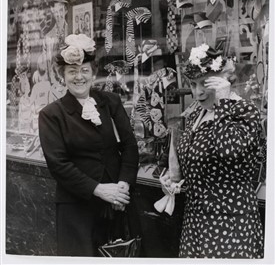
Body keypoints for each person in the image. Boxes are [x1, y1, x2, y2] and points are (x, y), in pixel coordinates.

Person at [38, 34, 139, 257]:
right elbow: (59, 165)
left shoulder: (111, 102)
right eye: (72, 71)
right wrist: (99, 190)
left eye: (84, 70)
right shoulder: (51, 115)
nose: (79, 77)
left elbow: (130, 147)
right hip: (77, 209)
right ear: (62, 75)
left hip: (117, 204)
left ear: (93, 73)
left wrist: (123, 186)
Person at [160, 43, 264, 259]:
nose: (197, 92)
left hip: (230, 224)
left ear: (223, 81)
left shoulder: (243, 112)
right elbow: (198, 163)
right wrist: (175, 181)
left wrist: (223, 102)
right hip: (196, 223)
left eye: (205, 84)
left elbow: (229, 152)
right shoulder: (197, 114)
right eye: (193, 84)